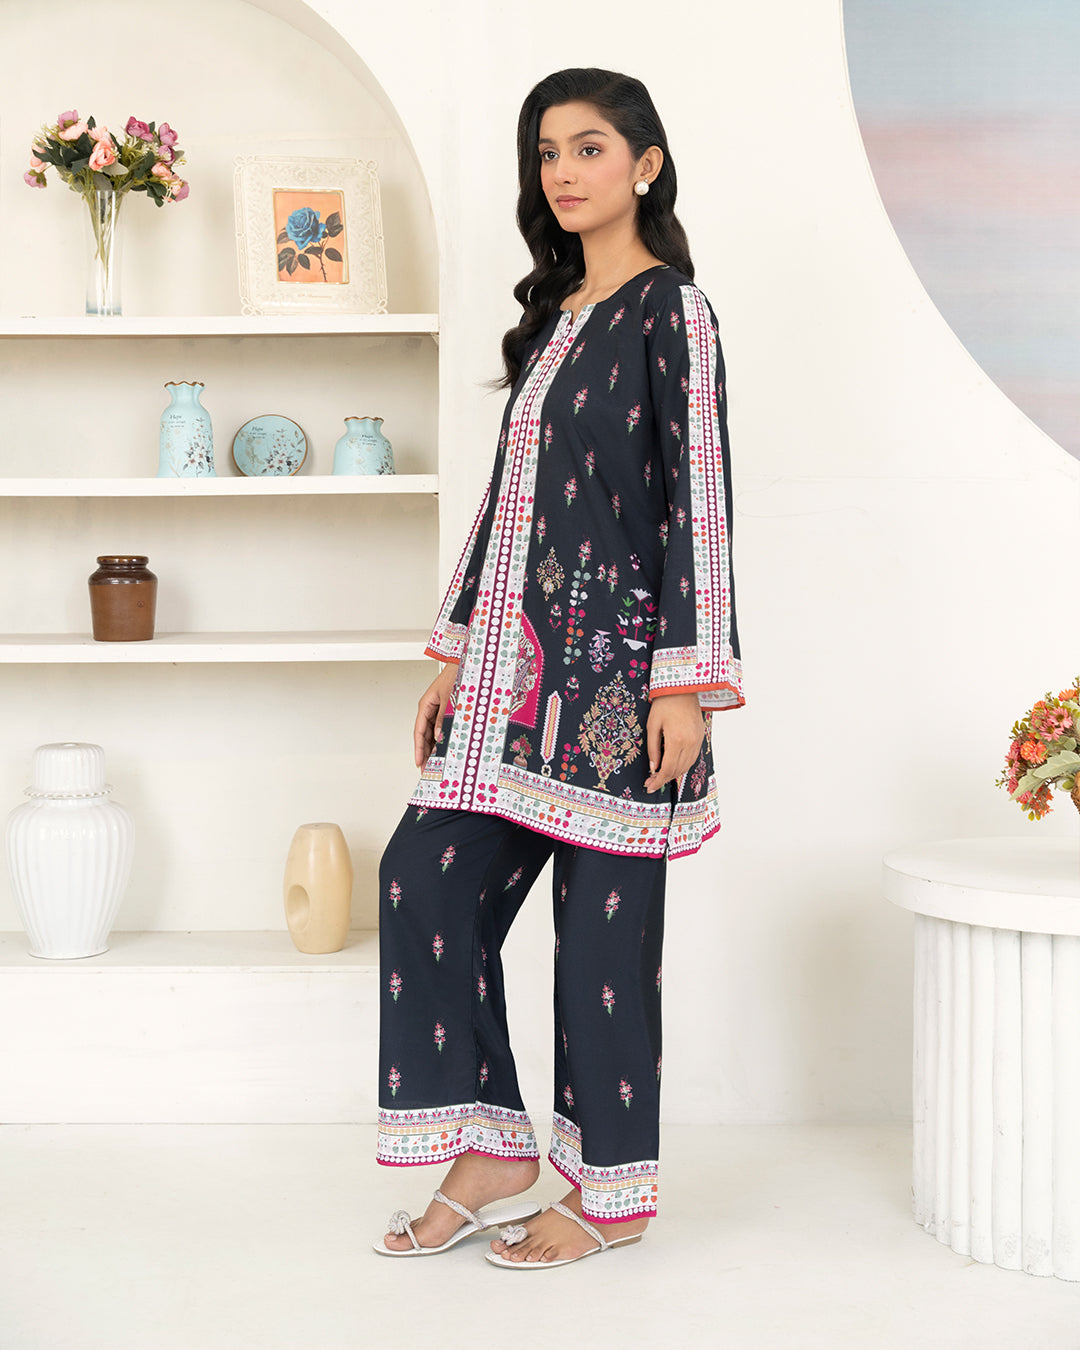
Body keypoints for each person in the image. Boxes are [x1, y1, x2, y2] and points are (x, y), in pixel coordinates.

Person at [372, 66, 745, 1268]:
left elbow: (698, 500)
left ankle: (609, 1196)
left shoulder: (671, 312)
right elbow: (509, 503)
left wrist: (684, 680)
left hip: (623, 691)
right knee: (420, 880)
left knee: (600, 954)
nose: (565, 172)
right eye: (548, 153)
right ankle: (490, 1148)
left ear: (646, 162)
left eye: (590, 147)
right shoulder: (555, 317)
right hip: (513, 682)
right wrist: (456, 650)